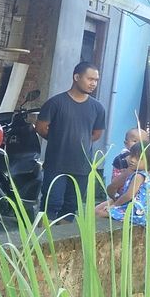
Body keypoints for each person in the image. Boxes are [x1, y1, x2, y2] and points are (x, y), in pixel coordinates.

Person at [35, 62, 106, 220]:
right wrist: (59, 139)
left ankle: (63, 243)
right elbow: (41, 128)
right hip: (56, 164)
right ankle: (43, 241)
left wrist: (78, 142)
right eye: (90, 79)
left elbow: (95, 134)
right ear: (76, 77)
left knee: (70, 208)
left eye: (96, 80)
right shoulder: (55, 103)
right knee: (50, 205)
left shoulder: (98, 108)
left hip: (81, 166)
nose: (93, 83)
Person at [97, 140, 150, 226]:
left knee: (99, 213)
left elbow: (129, 195)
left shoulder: (139, 176)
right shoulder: (145, 174)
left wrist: (114, 205)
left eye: (139, 159)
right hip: (138, 210)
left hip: (137, 213)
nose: (132, 160)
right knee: (97, 209)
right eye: (132, 156)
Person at [108, 127, 149, 197]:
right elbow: (118, 165)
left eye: (142, 142)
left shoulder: (146, 156)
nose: (138, 144)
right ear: (126, 143)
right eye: (135, 141)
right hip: (121, 187)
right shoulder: (124, 155)